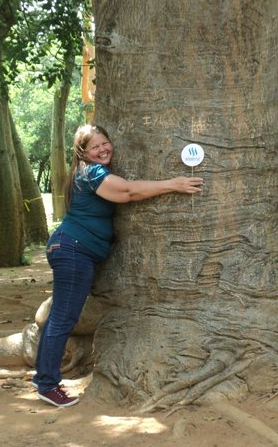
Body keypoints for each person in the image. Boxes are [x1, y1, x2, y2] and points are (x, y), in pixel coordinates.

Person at [33, 123, 203, 407]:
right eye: (94, 147)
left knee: (60, 318)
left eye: (105, 143)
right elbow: (128, 192)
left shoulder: (85, 172)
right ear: (83, 153)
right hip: (73, 250)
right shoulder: (92, 173)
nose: (102, 150)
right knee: (63, 319)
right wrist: (173, 184)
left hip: (72, 249)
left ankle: (44, 379)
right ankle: (47, 384)